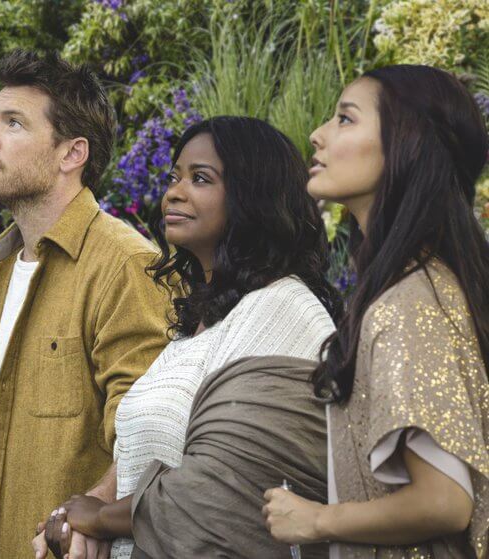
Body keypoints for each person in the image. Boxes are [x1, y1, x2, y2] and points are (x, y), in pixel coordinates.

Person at [43, 117, 342, 558]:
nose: (174, 193)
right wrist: (82, 521)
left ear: (253, 197)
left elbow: (225, 486)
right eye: (173, 177)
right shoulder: (199, 324)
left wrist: (102, 518)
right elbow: (142, 458)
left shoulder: (283, 311)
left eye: (200, 178)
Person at [263, 64, 489, 558]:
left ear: (407, 145)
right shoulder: (427, 285)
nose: (317, 134)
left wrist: (316, 520)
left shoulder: (409, 301)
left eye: (345, 118)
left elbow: (444, 501)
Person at [0, 49, 170, 559]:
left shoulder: (126, 266)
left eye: (13, 123)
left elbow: (149, 435)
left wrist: (90, 513)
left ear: (71, 154)